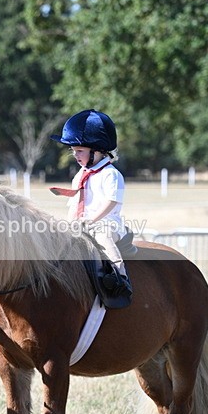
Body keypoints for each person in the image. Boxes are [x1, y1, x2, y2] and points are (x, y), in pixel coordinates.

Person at [51, 109, 132, 297]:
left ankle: (121, 277)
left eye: (80, 151)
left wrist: (92, 220)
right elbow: (75, 203)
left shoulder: (111, 174)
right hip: (84, 223)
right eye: (74, 152)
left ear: (97, 151)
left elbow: (112, 202)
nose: (76, 156)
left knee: (102, 236)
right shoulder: (80, 175)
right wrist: (70, 225)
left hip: (107, 223)